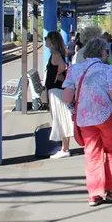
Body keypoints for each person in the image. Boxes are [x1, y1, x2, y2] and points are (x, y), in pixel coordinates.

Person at [62, 38, 112, 207]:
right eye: (106, 51)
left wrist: (79, 104)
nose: (107, 53)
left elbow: (67, 97)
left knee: (91, 153)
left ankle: (94, 194)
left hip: (85, 118)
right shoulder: (107, 70)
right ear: (101, 52)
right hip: (107, 116)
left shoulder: (75, 69)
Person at [44, 31, 72, 159]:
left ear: (52, 41)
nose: (45, 41)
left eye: (46, 38)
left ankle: (65, 149)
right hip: (56, 89)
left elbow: (64, 67)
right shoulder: (57, 53)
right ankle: (64, 148)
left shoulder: (55, 55)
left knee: (61, 118)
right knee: (61, 118)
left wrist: (58, 77)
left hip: (56, 90)